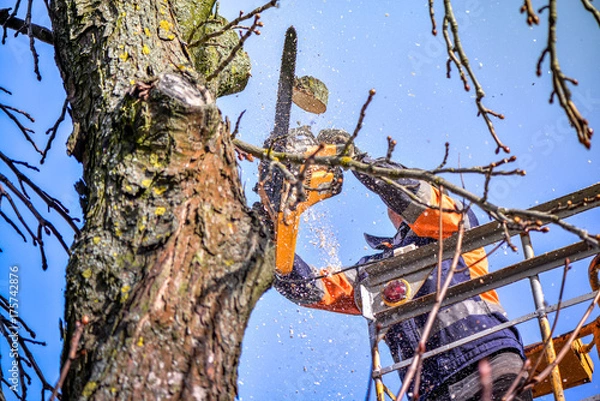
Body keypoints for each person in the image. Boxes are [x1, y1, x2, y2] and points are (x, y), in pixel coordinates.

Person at [268, 132, 533, 401]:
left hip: (486, 360)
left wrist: (357, 161)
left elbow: (416, 198)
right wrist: (270, 242)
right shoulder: (378, 268)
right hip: (431, 391)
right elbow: (313, 289)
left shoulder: (453, 225)